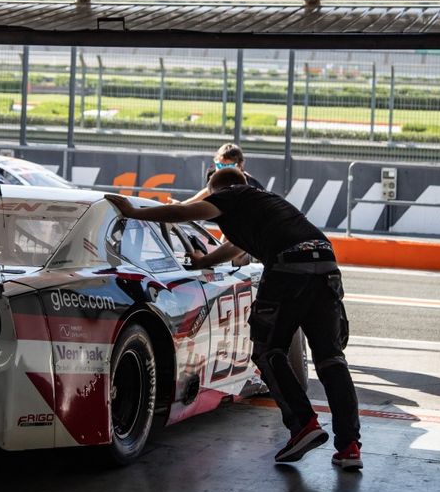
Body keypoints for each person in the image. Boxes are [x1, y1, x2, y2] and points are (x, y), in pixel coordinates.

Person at [105, 168, 362, 469]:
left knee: (268, 350)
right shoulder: (266, 205)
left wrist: (134, 211)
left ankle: (303, 424)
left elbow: (185, 212)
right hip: (326, 264)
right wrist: (204, 261)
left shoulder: (230, 194)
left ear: (218, 190)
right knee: (331, 358)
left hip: (289, 267)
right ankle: (350, 447)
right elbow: (234, 247)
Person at [179, 142, 264, 203]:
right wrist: (183, 204)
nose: (223, 171)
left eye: (228, 166)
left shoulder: (248, 185)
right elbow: (209, 192)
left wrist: (184, 206)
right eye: (219, 166)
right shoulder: (212, 175)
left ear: (240, 165)